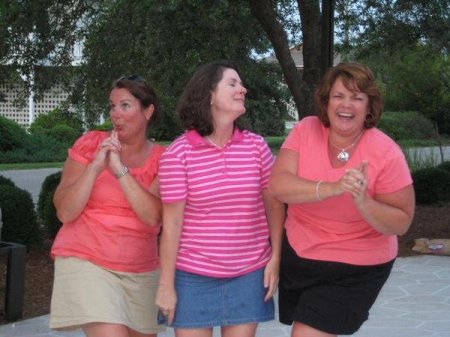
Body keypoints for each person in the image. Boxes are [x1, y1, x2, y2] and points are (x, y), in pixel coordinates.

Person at [269, 62, 415, 337]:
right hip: (302, 255)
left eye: (357, 97)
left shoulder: (386, 152)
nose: (346, 104)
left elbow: (401, 222)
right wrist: (333, 188)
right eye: (338, 96)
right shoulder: (305, 130)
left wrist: (364, 202)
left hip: (356, 265)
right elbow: (278, 185)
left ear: (369, 106)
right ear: (326, 102)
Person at [155, 60, 285, 337]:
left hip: (249, 273)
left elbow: (274, 206)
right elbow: (172, 225)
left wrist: (275, 258)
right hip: (193, 276)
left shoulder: (256, 147)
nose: (243, 89)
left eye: (241, 84)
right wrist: (166, 285)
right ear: (209, 95)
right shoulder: (178, 155)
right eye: (233, 83)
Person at [49, 75, 165, 337]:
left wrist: (120, 172)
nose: (115, 114)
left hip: (140, 267)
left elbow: (153, 217)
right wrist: (95, 167)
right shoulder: (90, 144)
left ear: (148, 111)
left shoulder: (162, 159)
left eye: (125, 105)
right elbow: (65, 211)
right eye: (112, 106)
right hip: (87, 258)